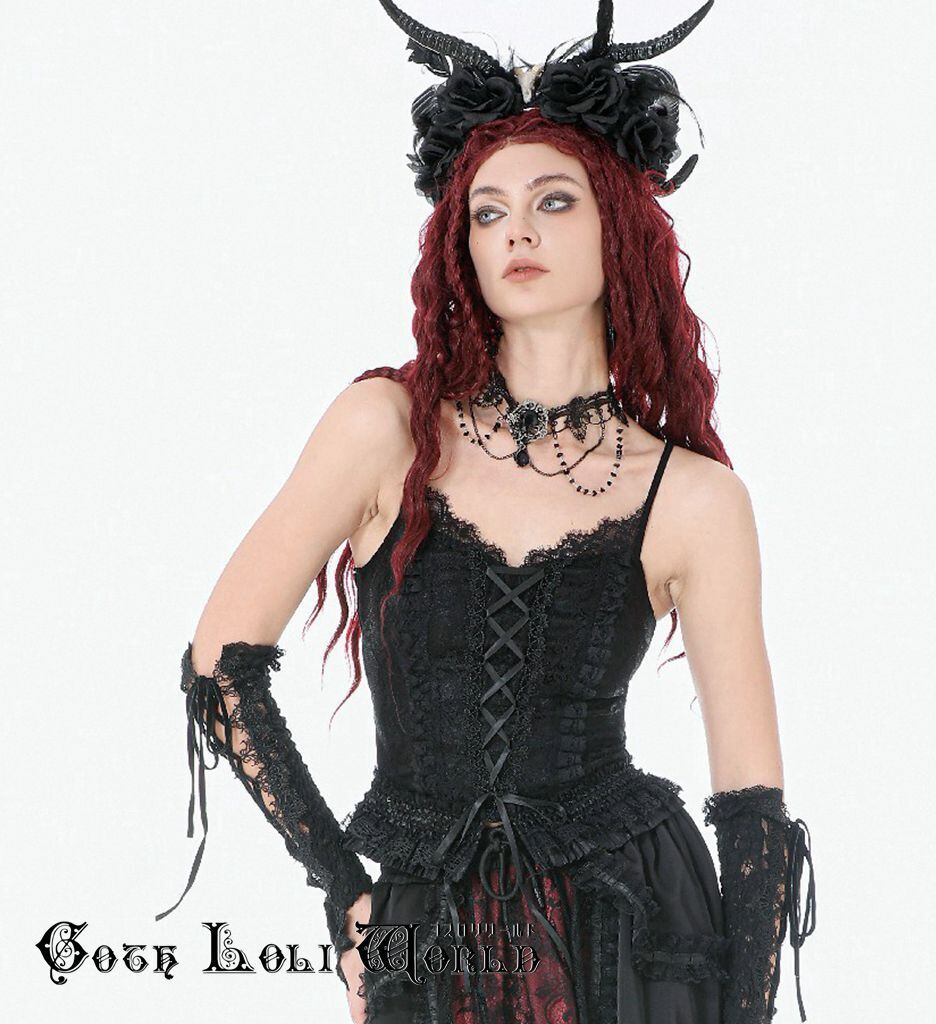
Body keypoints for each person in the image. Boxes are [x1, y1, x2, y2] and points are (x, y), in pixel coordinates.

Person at [156, 2, 817, 1022]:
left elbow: (753, 807)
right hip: (423, 936)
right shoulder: (384, 429)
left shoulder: (694, 496)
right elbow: (219, 664)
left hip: (635, 935)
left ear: (619, 225)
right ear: (460, 242)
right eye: (488, 211)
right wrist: (344, 889)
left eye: (554, 202)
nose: (518, 231)